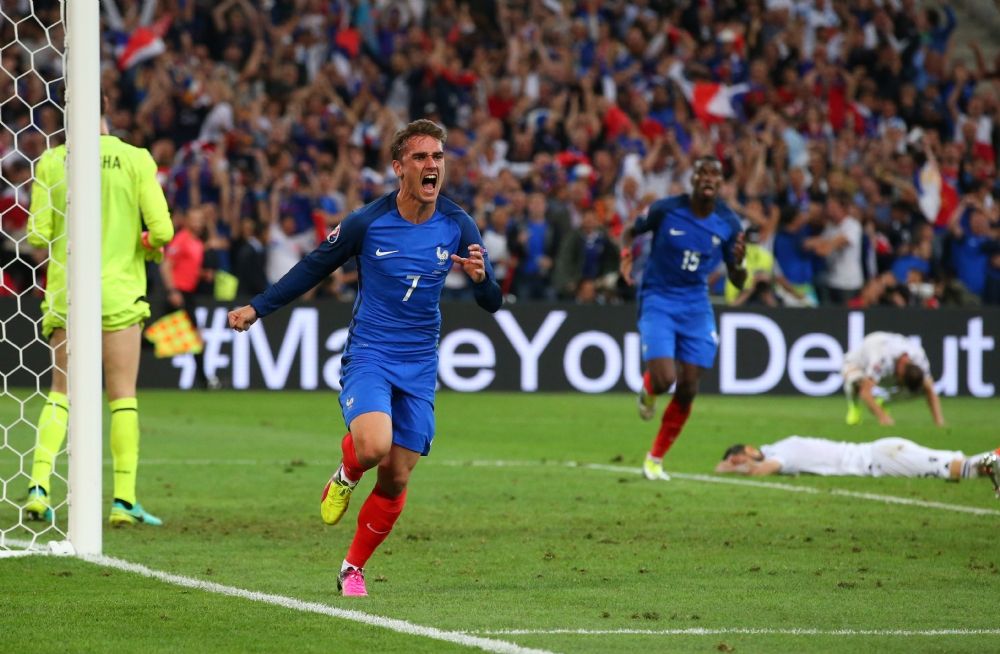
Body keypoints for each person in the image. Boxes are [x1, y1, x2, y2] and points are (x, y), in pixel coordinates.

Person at [227, 119, 502, 597]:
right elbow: (312, 267)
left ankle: (351, 568)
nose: (432, 165)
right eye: (421, 157)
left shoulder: (458, 224)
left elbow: (492, 301)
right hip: (371, 353)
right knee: (374, 447)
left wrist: (482, 280)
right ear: (398, 167)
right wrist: (257, 308)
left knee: (396, 477)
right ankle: (347, 472)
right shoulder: (367, 222)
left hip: (420, 363)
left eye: (438, 157)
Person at [23, 100, 174, 526]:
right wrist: (146, 245)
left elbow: (37, 234)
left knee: (61, 391)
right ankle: (123, 500)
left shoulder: (52, 161)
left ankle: (38, 487)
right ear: (108, 109)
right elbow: (162, 230)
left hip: (68, 291)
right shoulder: (134, 158)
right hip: (118, 294)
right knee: (122, 395)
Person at [620, 156, 746, 482]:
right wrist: (625, 256)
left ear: (721, 183)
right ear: (693, 179)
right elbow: (630, 230)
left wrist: (739, 265)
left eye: (715, 174)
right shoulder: (667, 209)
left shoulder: (728, 223)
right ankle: (649, 390)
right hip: (659, 298)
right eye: (703, 172)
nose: (708, 178)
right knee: (665, 379)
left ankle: (655, 459)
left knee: (689, 386)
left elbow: (738, 281)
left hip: (696, 304)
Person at [714, 436, 1000, 496]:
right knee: (964, 465)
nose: (742, 466)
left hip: (883, 458)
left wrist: (728, 468)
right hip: (882, 454)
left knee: (962, 470)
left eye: (740, 460)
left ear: (750, 449)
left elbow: (760, 471)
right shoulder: (784, 446)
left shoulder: (782, 451)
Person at [842, 331, 944, 427]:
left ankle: (883, 402)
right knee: (855, 380)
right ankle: (854, 407)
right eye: (902, 382)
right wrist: (883, 418)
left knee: (923, 387)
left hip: (888, 366)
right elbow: (865, 392)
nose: (900, 385)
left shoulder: (919, 358)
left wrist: (939, 421)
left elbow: (930, 390)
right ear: (901, 372)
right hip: (860, 364)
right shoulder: (880, 359)